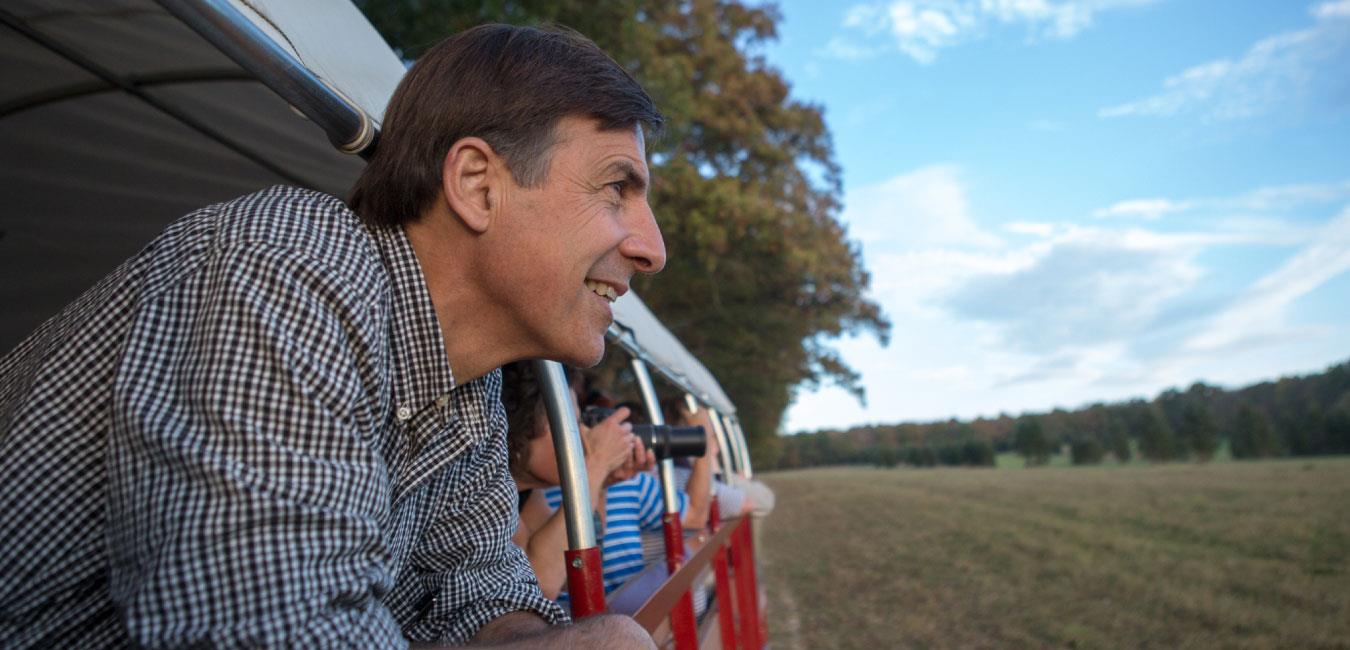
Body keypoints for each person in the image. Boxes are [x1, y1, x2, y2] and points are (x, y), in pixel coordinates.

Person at [0, 24, 664, 648]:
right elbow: (272, 626)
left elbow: (475, 597)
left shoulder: (470, 391)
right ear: (476, 185)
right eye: (616, 188)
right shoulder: (288, 260)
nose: (652, 249)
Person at [499, 361, 653, 599]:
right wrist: (596, 464)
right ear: (523, 424)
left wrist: (598, 484)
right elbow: (538, 585)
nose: (580, 434)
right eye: (568, 422)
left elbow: (571, 575)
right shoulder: (489, 490)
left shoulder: (528, 495)